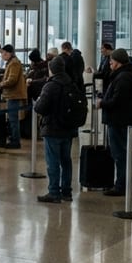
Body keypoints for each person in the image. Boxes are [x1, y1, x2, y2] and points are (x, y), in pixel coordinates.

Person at [33, 56, 78, 203]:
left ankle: (53, 192)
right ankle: (67, 192)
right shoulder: (71, 83)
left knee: (53, 161)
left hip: (53, 128)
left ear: (51, 69)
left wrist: (38, 101)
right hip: (68, 128)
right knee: (66, 161)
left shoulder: (51, 86)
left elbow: (40, 108)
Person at [98, 48, 132, 196]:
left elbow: (117, 101)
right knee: (120, 152)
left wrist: (102, 103)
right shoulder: (126, 75)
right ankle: (122, 182)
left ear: (119, 62)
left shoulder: (123, 78)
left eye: (112, 61)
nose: (110, 63)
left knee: (119, 153)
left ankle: (121, 185)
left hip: (119, 120)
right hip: (121, 119)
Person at [0, 44, 26, 149]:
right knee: (12, 118)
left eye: (3, 53)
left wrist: (0, 85)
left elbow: (12, 80)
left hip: (14, 94)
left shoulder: (14, 63)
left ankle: (15, 140)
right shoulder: (12, 62)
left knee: (13, 119)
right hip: (12, 94)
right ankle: (14, 138)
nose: (2, 56)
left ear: (8, 53)